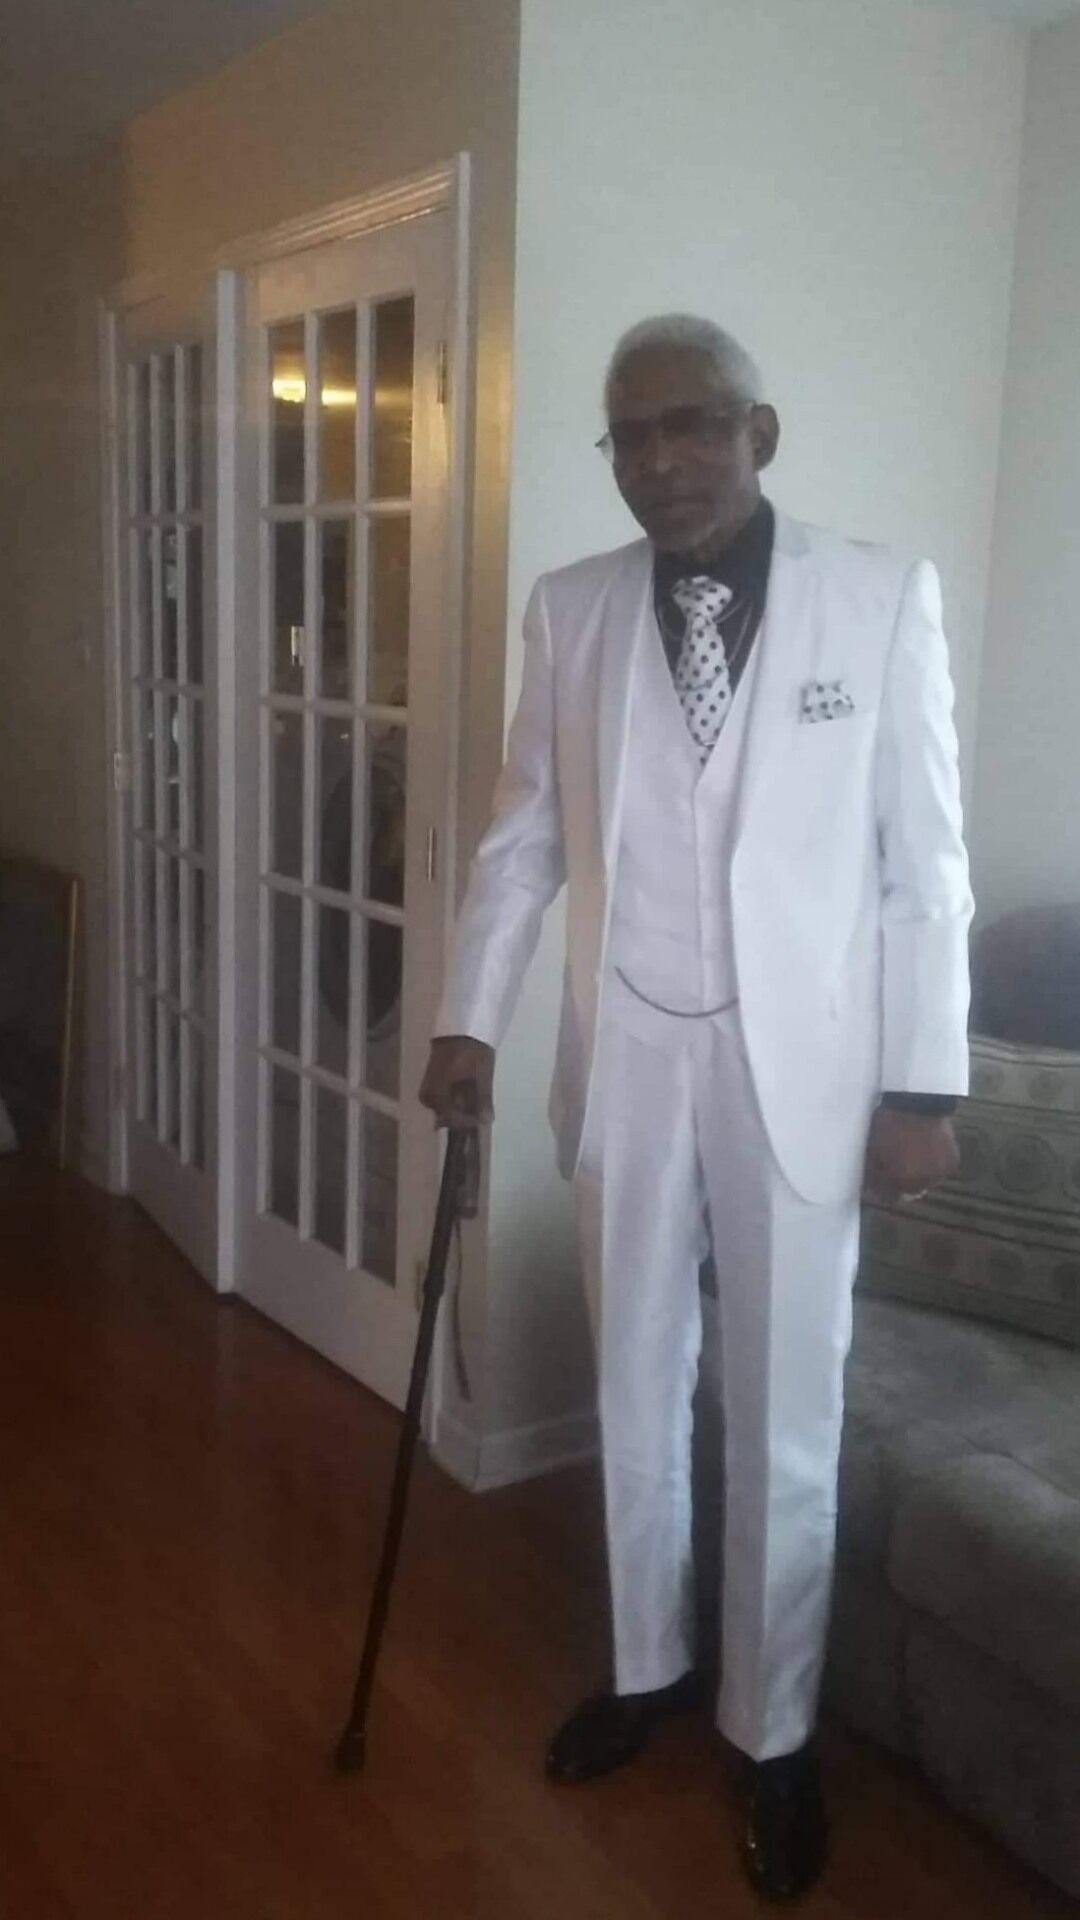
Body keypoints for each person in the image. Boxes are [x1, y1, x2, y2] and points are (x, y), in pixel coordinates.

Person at [420, 314, 972, 1902]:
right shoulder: (573, 608)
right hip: (632, 1050)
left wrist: (922, 1084)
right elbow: (525, 837)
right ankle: (647, 1663)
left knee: (786, 1409)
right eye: (634, 435)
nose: (664, 462)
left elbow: (925, 863)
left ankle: (774, 1733)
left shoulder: (881, 598)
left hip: (807, 1070)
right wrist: (469, 1014)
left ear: (759, 433)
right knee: (635, 1378)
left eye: (695, 427)